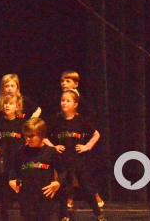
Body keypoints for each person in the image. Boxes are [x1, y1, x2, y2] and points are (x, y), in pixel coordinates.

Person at [45, 89, 105, 220]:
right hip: (62, 161)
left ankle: (99, 215)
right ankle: (64, 216)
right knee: (64, 190)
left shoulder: (81, 120)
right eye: (62, 100)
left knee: (88, 189)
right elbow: (43, 136)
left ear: (75, 104)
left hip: (78, 161)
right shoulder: (57, 120)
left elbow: (96, 134)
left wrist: (87, 146)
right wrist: (53, 146)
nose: (64, 103)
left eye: (68, 101)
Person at [8, 118, 61, 221]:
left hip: (46, 201)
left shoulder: (51, 152)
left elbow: (63, 170)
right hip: (27, 200)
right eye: (26, 136)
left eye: (32, 136)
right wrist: (11, 180)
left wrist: (58, 182)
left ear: (41, 135)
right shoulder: (20, 152)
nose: (28, 139)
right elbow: (13, 169)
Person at [0, 93, 25, 221]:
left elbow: (29, 138)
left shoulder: (22, 123)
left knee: (21, 190)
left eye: (11, 103)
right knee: (4, 192)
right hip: (4, 161)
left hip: (19, 161)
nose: (7, 106)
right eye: (6, 103)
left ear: (17, 106)